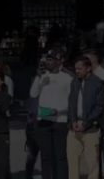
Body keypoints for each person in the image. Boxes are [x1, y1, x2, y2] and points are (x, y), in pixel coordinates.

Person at [30, 51, 72, 179]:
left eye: (51, 59)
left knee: (60, 156)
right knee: (46, 156)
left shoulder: (67, 78)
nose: (48, 62)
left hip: (60, 121)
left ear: (59, 61)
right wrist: (38, 77)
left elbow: (72, 101)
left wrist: (58, 111)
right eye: (47, 59)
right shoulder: (42, 76)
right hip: (43, 120)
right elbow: (33, 94)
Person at [67, 56, 104, 179]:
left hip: (90, 129)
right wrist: (73, 121)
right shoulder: (75, 82)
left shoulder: (97, 83)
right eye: (75, 69)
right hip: (74, 127)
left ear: (88, 68)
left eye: (79, 68)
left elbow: (99, 107)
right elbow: (71, 103)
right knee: (72, 161)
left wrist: (86, 123)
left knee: (92, 163)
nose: (76, 71)